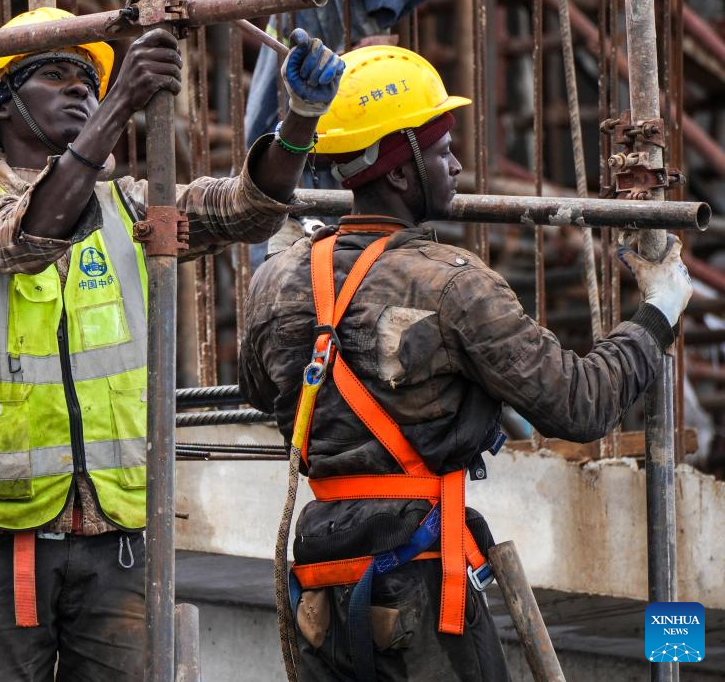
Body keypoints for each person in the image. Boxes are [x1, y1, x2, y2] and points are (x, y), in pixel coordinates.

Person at [0, 6, 344, 682]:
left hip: (116, 542)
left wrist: (298, 125)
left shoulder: (132, 209)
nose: (79, 89)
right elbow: (25, 236)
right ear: (1, 101)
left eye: (90, 80)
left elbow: (247, 208)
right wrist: (120, 104)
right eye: (56, 75)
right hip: (1, 542)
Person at [238, 45, 692, 681]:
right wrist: (657, 313)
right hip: (418, 583)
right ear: (400, 172)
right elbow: (580, 404)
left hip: (321, 582)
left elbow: (261, 391)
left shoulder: (277, 278)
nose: (455, 164)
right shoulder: (453, 284)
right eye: (441, 149)